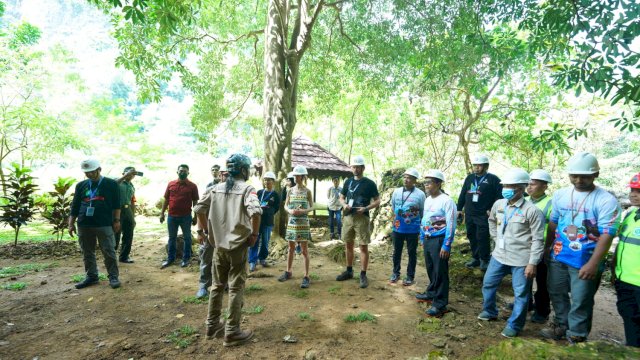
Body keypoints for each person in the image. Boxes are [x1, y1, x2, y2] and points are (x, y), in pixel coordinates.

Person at [540, 152, 621, 344]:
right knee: (556, 291)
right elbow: (554, 223)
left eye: (584, 176)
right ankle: (561, 325)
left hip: (585, 259)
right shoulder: (560, 195)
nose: (578, 180)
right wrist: (547, 248)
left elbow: (607, 234)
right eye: (574, 175)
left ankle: (577, 334)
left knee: (581, 298)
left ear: (596, 174)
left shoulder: (605, 200)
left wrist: (594, 263)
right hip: (559, 255)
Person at [194, 153, 261, 347]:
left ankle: (212, 325)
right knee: (236, 287)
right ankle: (232, 330)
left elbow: (198, 208)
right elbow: (256, 212)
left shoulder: (215, 189)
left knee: (216, 286)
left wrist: (203, 230)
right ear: (242, 170)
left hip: (218, 247)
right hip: (238, 247)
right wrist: (254, 235)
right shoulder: (248, 189)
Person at [477, 168, 545, 338]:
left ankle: (515, 325)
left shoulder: (532, 211)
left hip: (521, 259)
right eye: (505, 185)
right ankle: (490, 311)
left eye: (511, 186)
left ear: (521, 188)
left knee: (521, 294)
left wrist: (532, 263)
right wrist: (495, 237)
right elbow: (492, 220)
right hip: (499, 256)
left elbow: (538, 239)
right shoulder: (498, 204)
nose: (506, 188)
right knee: (488, 283)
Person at [68, 159, 122, 289]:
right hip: (84, 224)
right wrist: (71, 224)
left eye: (92, 172)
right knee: (87, 252)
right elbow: (75, 206)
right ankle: (91, 276)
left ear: (99, 169)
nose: (90, 175)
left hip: (104, 223)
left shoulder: (111, 184)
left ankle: (113, 277)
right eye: (87, 173)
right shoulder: (80, 185)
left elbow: (116, 205)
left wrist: (116, 221)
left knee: (109, 251)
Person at [416, 170, 457, 317]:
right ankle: (432, 292)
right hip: (428, 238)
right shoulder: (428, 199)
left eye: (429, 182)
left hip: (439, 240)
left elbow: (451, 223)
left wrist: (447, 244)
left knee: (440, 271)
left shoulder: (447, 201)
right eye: (425, 182)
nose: (426, 185)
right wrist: (422, 236)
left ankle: (440, 303)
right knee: (431, 268)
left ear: (438, 183)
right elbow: (425, 218)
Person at [336, 155, 381, 288]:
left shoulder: (369, 183)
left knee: (363, 246)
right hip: (348, 217)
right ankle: (349, 270)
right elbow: (341, 197)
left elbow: (378, 200)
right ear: (351, 168)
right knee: (348, 244)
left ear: (363, 168)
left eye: (358, 167)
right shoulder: (348, 182)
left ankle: (363, 274)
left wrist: (366, 208)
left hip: (362, 218)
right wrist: (344, 205)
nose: (355, 169)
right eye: (353, 166)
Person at [457, 154, 502, 271]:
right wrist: (459, 209)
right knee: (471, 235)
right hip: (470, 213)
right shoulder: (470, 178)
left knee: (482, 237)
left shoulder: (493, 179)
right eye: (475, 165)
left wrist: (493, 209)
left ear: (486, 166)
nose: (476, 167)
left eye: (479, 165)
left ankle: (484, 259)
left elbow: (500, 196)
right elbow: (463, 194)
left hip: (483, 214)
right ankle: (475, 258)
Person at [612, 172, 640, 347]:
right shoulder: (630, 215)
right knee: (629, 317)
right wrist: (614, 269)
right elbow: (621, 245)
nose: (633, 194)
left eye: (639, 191)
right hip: (625, 280)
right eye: (632, 189)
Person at [525, 169, 554, 323]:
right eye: (528, 184)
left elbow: (553, 227)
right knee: (524, 277)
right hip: (525, 246)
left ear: (544, 186)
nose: (529, 187)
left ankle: (542, 311)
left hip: (542, 247)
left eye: (533, 184)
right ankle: (526, 303)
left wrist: (547, 247)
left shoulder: (550, 203)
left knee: (543, 280)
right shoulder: (525, 200)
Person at [278, 165, 314, 288]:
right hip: (292, 221)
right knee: (291, 247)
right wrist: (290, 211)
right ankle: (288, 271)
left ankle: (306, 276)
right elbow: (285, 205)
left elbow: (312, 207)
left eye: (298, 175)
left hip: (303, 222)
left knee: (304, 250)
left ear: (303, 177)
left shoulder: (307, 191)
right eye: (295, 175)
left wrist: (304, 211)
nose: (296, 177)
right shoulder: (290, 190)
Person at [389, 168, 426, 286]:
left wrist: (422, 228)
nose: (406, 180)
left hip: (413, 229)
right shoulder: (396, 192)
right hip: (398, 227)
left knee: (412, 252)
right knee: (397, 251)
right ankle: (396, 273)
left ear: (414, 180)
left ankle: (410, 276)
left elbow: (422, 211)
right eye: (405, 177)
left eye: (409, 178)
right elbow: (393, 207)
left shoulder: (420, 194)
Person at [160, 164, 199, 268]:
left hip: (186, 217)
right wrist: (162, 213)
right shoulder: (171, 184)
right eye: (181, 171)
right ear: (177, 172)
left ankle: (186, 259)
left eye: (185, 171)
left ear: (188, 173)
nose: (183, 172)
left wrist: (196, 216)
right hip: (172, 216)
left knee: (187, 238)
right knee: (171, 238)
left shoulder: (192, 186)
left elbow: (195, 201)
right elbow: (166, 200)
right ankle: (170, 259)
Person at [196, 166, 224, 298]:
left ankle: (224, 283)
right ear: (220, 176)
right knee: (206, 258)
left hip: (226, 233)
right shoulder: (210, 190)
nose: (226, 177)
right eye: (224, 175)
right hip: (210, 232)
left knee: (225, 259)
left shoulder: (235, 192)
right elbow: (199, 210)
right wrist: (201, 230)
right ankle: (203, 286)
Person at [249, 171, 280, 271]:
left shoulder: (275, 195)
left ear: (273, 182)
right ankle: (252, 261)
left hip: (268, 222)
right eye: (265, 180)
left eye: (269, 180)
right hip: (257, 221)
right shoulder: (259, 192)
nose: (267, 182)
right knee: (255, 240)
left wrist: (268, 212)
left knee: (265, 241)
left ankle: (262, 258)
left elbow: (276, 208)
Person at [115, 166, 139, 264]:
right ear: (123, 173)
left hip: (127, 209)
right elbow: (113, 185)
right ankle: (111, 255)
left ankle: (124, 256)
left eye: (133, 174)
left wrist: (132, 216)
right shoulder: (118, 182)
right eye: (129, 173)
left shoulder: (131, 186)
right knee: (116, 232)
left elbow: (132, 201)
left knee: (129, 233)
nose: (131, 175)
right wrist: (125, 175)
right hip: (117, 210)